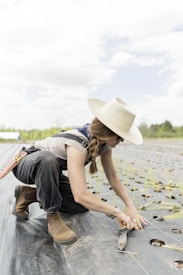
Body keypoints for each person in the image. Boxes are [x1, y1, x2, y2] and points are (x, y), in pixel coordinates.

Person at [12, 97, 148, 245]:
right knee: (48, 159)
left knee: (80, 206)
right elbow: (81, 194)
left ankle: (27, 194)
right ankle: (52, 216)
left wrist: (130, 206)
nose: (121, 141)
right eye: (120, 138)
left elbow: (113, 176)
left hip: (49, 174)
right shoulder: (77, 143)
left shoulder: (104, 147)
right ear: (108, 133)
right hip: (26, 164)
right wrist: (117, 212)